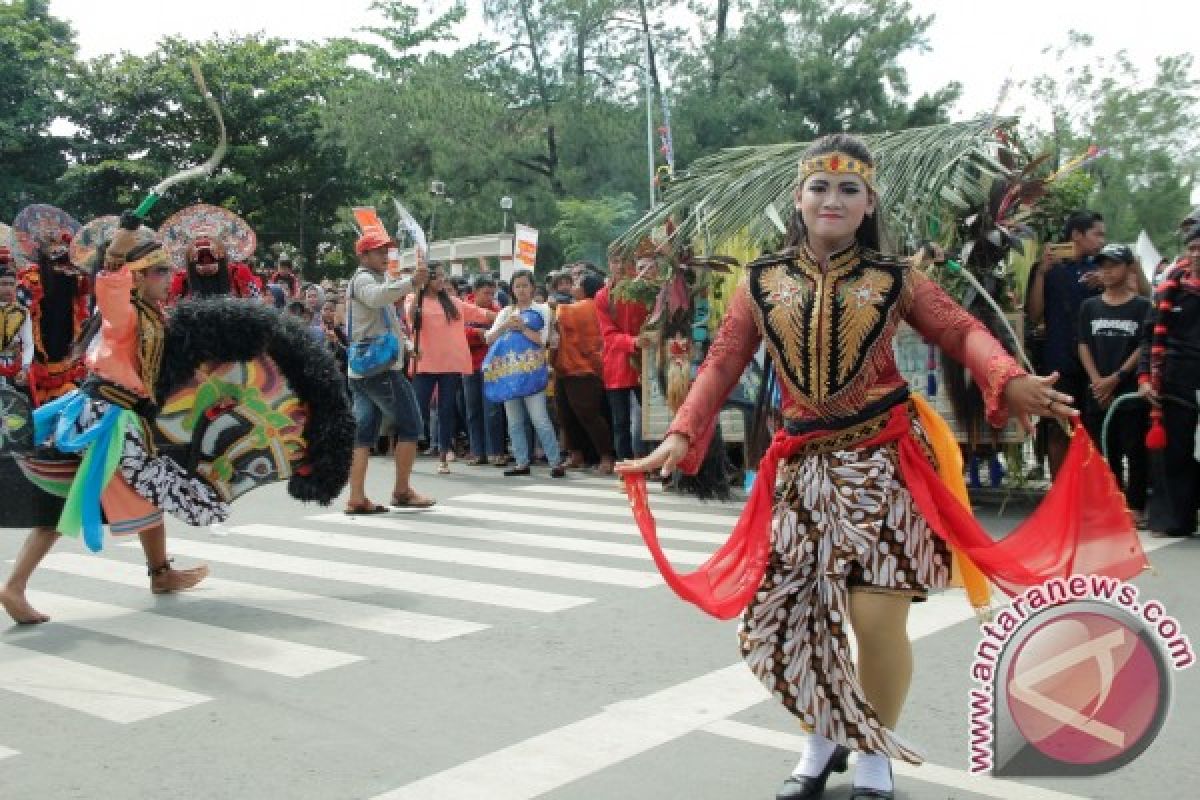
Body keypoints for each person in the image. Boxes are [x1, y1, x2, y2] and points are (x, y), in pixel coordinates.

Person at [617, 134, 1112, 800]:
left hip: (884, 466)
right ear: (799, 198)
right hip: (801, 477)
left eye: (849, 188)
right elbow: (722, 363)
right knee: (798, 622)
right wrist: (680, 435)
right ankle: (823, 741)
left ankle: (872, 753)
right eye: (820, 186)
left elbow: (961, 329)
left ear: (868, 201)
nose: (833, 198)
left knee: (877, 622)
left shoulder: (897, 279)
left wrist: (1006, 374)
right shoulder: (760, 283)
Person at [1, 219, 215, 624]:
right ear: (136, 278)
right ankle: (14, 587)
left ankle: (161, 572)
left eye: (167, 270)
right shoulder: (125, 314)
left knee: (153, 485)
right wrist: (118, 249)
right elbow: (110, 284)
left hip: (127, 416)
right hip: (103, 418)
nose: (167, 278)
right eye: (159, 272)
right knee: (63, 503)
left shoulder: (153, 315)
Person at [344, 229, 434, 513]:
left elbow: (389, 322)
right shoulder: (364, 280)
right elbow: (376, 299)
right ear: (363, 255)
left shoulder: (377, 279)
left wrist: (407, 345)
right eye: (379, 251)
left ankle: (356, 496)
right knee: (410, 425)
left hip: (362, 369)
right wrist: (410, 282)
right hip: (379, 369)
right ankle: (402, 491)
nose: (385, 255)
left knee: (364, 433)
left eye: (386, 250)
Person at [1025, 210, 1106, 477]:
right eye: (1097, 234)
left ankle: (1089, 489)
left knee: (1093, 427)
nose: (1101, 241)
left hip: (1096, 362)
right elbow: (1034, 314)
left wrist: (1107, 281)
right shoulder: (1048, 269)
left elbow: (1139, 296)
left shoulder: (1103, 268)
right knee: (1057, 426)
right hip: (1059, 359)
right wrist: (1040, 274)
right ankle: (1058, 490)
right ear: (1076, 235)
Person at [1077, 244, 1151, 524]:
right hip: (1097, 389)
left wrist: (1117, 378)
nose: (1107, 272)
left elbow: (1143, 346)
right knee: (1102, 449)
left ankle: (1136, 505)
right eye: (1103, 266)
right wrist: (1097, 380)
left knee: (1134, 448)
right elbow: (1083, 344)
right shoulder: (1090, 306)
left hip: (1128, 390)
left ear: (1129, 268)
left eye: (1114, 265)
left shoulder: (1141, 307)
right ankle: (1109, 503)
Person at [405, 264, 497, 474]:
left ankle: (444, 456)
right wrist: (418, 290)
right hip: (425, 363)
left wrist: (507, 316)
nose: (441, 281)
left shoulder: (452, 302)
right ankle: (408, 452)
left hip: (450, 364)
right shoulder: (414, 298)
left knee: (446, 411)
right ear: (426, 279)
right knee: (417, 410)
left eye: (442, 277)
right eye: (436, 277)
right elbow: (411, 319)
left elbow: (480, 313)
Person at [1138, 222, 1200, 537]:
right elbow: (1148, 338)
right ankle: (1175, 520)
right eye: (1192, 248)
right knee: (1175, 454)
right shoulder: (1169, 288)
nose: (1196, 254)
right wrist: (1145, 378)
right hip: (1176, 381)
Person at [485, 270, 564, 478]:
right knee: (515, 421)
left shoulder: (543, 310)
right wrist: (505, 326)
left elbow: (544, 340)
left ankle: (555, 462)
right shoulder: (505, 312)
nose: (521, 290)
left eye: (525, 285)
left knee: (540, 418)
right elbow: (489, 338)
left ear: (533, 287)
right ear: (512, 289)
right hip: (508, 374)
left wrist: (522, 329)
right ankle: (521, 462)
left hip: (532, 372)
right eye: (517, 286)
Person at [17, 228, 91, 405]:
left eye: (65, 260)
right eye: (56, 259)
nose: (62, 267)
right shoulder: (30, 279)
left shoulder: (76, 280)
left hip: (67, 352)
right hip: (37, 353)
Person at [553, 272, 614, 473]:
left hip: (582, 367)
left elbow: (562, 314)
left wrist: (551, 305)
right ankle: (576, 454)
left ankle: (606, 456)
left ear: (587, 288)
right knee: (566, 415)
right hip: (565, 366)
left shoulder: (588, 305)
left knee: (589, 415)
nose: (573, 286)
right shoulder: (578, 304)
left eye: (577, 283)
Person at [595, 254, 653, 462]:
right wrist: (633, 341)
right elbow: (608, 335)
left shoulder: (646, 290)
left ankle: (653, 463)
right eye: (615, 261)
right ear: (609, 264)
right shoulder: (603, 296)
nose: (619, 266)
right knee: (620, 421)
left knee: (652, 416)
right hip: (617, 363)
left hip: (646, 360)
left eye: (623, 261)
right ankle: (625, 466)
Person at [463, 275, 507, 466]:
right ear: (475, 292)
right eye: (485, 293)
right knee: (473, 410)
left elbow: (501, 335)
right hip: (468, 365)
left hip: (491, 366)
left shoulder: (497, 311)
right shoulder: (464, 308)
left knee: (493, 410)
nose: (489, 297)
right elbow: (459, 334)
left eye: (492, 293)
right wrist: (478, 334)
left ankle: (495, 451)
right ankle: (477, 451)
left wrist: (481, 336)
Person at [170, 234, 261, 301]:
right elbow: (170, 309)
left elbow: (256, 303)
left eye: (207, 237)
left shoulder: (239, 272)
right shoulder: (181, 280)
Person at [0, 256, 34, 393]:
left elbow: (28, 344)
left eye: (11, 284)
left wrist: (25, 368)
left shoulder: (22, 312)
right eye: (3, 284)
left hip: (13, 366)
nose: (8, 288)